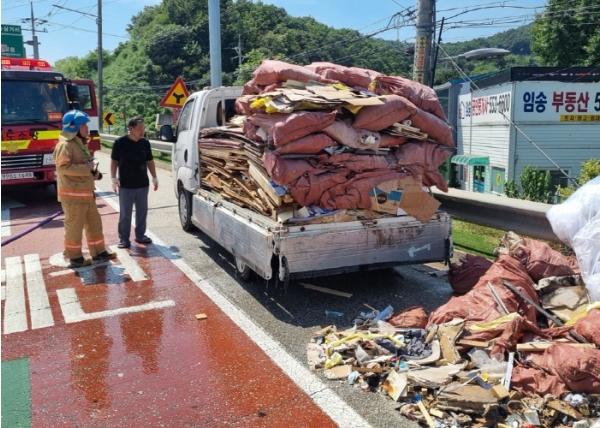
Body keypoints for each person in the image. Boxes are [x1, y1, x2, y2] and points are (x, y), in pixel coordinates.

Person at [53, 110, 116, 268]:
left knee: (94, 224)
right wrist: (87, 168)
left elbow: (85, 166)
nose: (87, 128)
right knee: (74, 228)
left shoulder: (79, 144)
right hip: (73, 197)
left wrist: (94, 173)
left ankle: (99, 252)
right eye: (84, 126)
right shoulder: (65, 145)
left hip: (86, 194)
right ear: (74, 127)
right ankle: (75, 258)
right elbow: (63, 168)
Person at [110, 116, 158, 249]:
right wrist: (113, 178)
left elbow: (150, 161)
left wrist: (154, 177)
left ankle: (140, 235)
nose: (143, 131)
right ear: (131, 129)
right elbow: (114, 161)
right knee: (125, 214)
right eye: (140, 128)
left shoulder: (145, 143)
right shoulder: (120, 143)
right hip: (126, 185)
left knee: (142, 212)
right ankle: (124, 239)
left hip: (142, 184)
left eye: (143, 128)